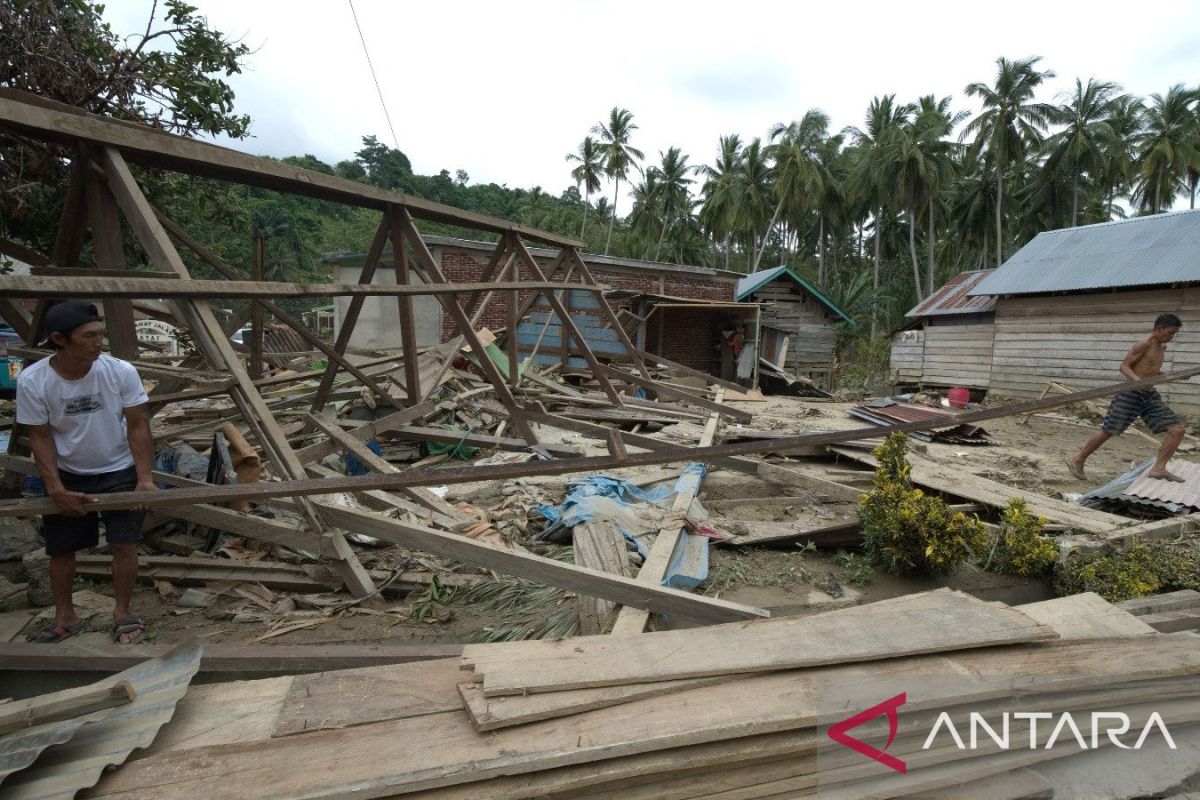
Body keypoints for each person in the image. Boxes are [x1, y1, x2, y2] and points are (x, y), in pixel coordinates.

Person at [15, 302, 157, 644]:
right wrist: (56, 488)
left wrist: (145, 479)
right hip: (69, 473)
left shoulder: (119, 371)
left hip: (118, 468)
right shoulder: (34, 380)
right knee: (61, 549)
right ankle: (65, 616)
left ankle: (122, 612)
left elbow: (137, 425)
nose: (98, 342)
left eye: (100, 334)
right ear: (59, 339)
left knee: (124, 543)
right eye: (89, 336)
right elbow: (39, 436)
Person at [1067, 313, 1188, 483]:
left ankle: (1158, 468)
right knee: (1109, 430)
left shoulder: (1161, 347)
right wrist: (1137, 382)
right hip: (1130, 393)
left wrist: (1168, 376)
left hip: (1148, 394)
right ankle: (1077, 460)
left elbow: (1150, 369)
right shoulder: (1144, 344)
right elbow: (1124, 367)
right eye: (1170, 333)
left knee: (1177, 430)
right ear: (1159, 328)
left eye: (1174, 334)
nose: (1171, 337)